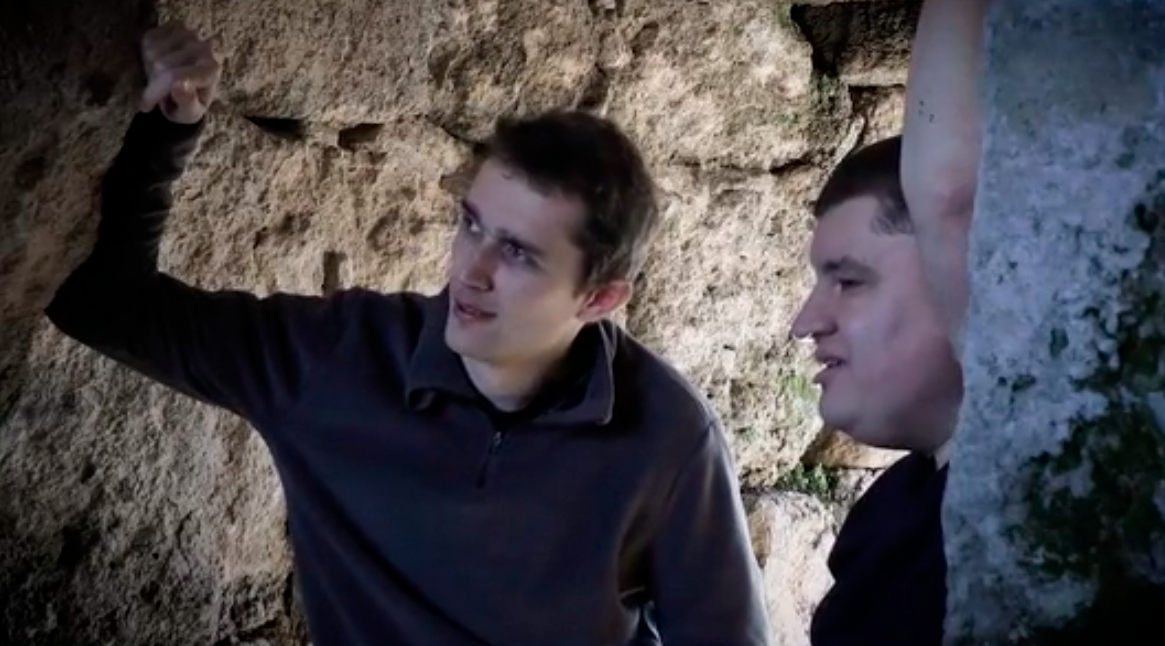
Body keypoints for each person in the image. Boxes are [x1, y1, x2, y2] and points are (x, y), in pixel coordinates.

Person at [46, 22, 771, 646]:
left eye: (517, 252)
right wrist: (169, 127)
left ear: (600, 296)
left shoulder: (669, 436)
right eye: (471, 225)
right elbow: (101, 304)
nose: (470, 270)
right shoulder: (332, 358)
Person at [790, 0, 990, 643]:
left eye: (849, 281)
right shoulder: (893, 509)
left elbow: (950, 189)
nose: (805, 323)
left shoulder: (1042, 503)